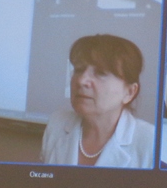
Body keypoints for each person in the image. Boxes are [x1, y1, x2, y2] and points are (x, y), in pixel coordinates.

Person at [41, 34, 154, 168]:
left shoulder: (150, 141)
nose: (81, 80)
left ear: (129, 92)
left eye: (101, 73)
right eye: (79, 70)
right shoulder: (57, 123)